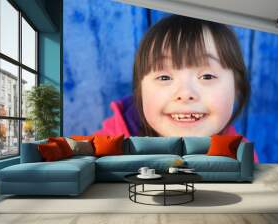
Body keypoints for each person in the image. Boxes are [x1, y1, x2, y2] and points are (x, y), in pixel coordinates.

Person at [94, 15, 258, 162]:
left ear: (236, 88)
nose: (185, 94)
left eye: (207, 76)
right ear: (140, 91)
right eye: (164, 77)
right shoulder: (104, 151)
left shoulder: (240, 155)